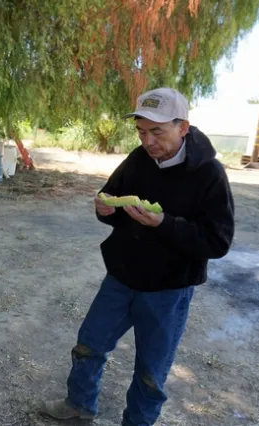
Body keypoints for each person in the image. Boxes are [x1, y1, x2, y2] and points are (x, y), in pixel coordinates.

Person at [40, 87, 235, 425]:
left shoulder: (209, 173)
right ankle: (79, 406)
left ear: (183, 127)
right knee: (89, 346)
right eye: (141, 131)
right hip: (121, 277)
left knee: (150, 372)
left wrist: (165, 224)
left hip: (168, 291)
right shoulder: (138, 159)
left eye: (157, 131)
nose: (148, 141)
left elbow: (217, 242)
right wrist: (104, 208)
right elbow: (113, 200)